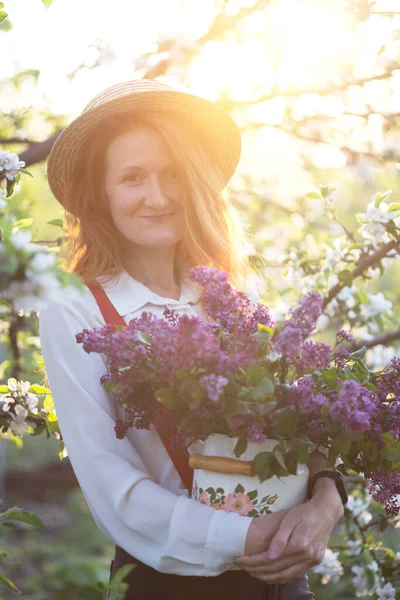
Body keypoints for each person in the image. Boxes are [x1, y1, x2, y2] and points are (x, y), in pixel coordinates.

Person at [39, 79, 345, 600]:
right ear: (102, 194)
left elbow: (297, 427)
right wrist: (246, 535)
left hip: (284, 577)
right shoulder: (74, 308)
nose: (157, 197)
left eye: (173, 174)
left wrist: (325, 497)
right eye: (133, 178)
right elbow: (111, 481)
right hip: (175, 583)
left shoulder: (233, 288)